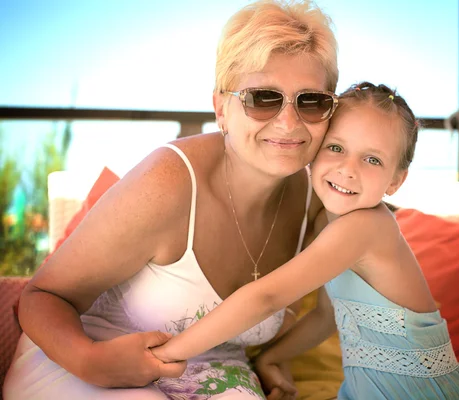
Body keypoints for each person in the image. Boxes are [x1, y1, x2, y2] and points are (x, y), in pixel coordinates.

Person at [3, 1, 339, 399]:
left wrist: (273, 358)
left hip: (217, 371)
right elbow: (43, 297)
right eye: (262, 98)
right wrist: (91, 360)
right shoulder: (167, 182)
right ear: (221, 108)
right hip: (86, 356)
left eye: (311, 101)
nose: (288, 122)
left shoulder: (321, 201)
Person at [150, 82, 459, 400]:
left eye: (372, 159)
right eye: (336, 148)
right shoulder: (331, 221)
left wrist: (164, 355)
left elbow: (267, 296)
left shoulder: (366, 227)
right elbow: (324, 316)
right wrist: (270, 358)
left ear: (395, 180)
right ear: (314, 150)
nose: (348, 169)